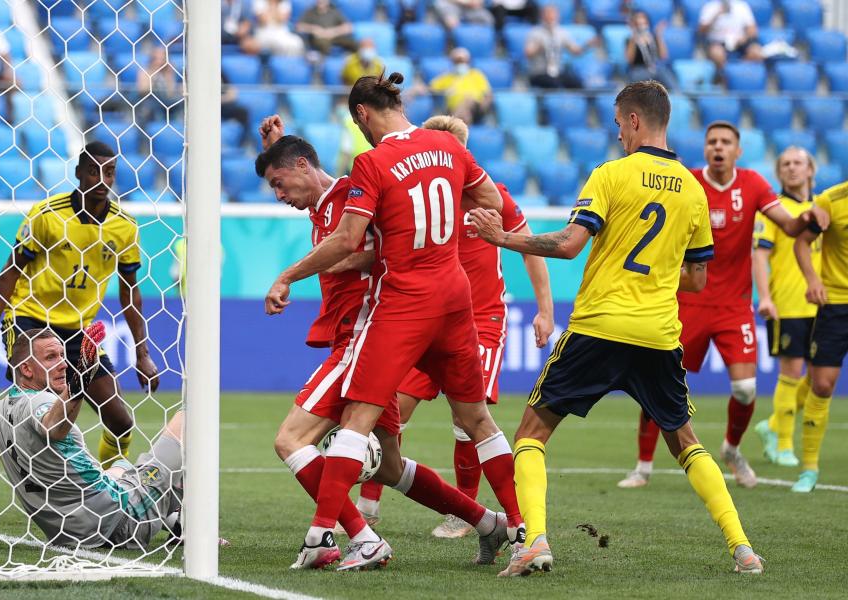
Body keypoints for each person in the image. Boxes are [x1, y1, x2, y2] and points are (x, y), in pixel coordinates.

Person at [470, 80, 766, 575]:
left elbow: (568, 245)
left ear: (633, 120)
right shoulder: (694, 190)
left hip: (600, 325)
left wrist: (501, 237)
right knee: (686, 441)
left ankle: (536, 543)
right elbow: (696, 278)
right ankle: (743, 549)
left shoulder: (612, 174)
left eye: (618, 124)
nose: (619, 135)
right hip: (657, 332)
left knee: (531, 433)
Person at [264, 72, 526, 570]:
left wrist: (287, 276)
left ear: (362, 113)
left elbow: (346, 238)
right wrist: (281, 151)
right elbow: (494, 202)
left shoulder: (367, 168)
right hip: (451, 301)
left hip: (390, 317)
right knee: (401, 459)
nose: (280, 193)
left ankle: (343, 537)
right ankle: (507, 527)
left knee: (306, 435)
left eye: (280, 183)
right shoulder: (444, 147)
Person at [352, 115, 554, 538]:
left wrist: (545, 310)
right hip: (424, 316)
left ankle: (466, 512)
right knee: (392, 409)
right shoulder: (408, 193)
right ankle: (368, 504)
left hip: (480, 320)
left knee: (468, 420)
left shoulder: (493, 197)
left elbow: (530, 248)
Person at [617, 121, 828, 491]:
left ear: (737, 151)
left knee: (746, 389)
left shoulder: (754, 184)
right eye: (712, 141)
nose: (718, 147)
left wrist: (810, 218)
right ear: (705, 148)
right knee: (658, 384)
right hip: (687, 303)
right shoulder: (686, 180)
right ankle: (642, 466)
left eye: (726, 142)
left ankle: (731, 449)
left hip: (734, 306)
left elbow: (792, 227)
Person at [0, 142, 160, 518]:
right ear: (79, 174)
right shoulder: (47, 215)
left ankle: (110, 489)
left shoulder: (124, 226)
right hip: (30, 319)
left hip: (78, 330)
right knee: (20, 414)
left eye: (109, 173)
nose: (102, 180)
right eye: (94, 172)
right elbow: (11, 271)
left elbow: (130, 295)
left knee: (120, 420)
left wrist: (142, 353)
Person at [0, 327, 184, 550]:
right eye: (51, 357)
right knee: (191, 418)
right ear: (27, 370)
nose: (63, 363)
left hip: (70, 534)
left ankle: (177, 524)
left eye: (63, 355)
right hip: (124, 520)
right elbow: (53, 427)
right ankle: (196, 530)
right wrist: (77, 389)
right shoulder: (39, 402)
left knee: (121, 467)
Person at [752, 147, 820, 468]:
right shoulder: (773, 211)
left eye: (798, 163)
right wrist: (764, 298)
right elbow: (760, 257)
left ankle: (773, 424)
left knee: (821, 377)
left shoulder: (823, 208)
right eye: (786, 164)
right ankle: (783, 444)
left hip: (823, 305)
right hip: (788, 304)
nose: (792, 168)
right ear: (780, 173)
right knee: (791, 373)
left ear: (810, 170)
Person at [791, 179, 845, 493]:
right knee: (822, 383)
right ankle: (809, 468)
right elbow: (800, 243)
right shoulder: (830, 200)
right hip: (836, 304)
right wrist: (813, 279)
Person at [524, 5, 593, 89]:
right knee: (554, 84)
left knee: (577, 83)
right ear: (543, 16)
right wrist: (539, 47)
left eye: (553, 15)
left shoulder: (561, 32)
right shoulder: (535, 32)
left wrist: (587, 45)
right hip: (539, 72)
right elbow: (528, 53)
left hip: (557, 72)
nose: (550, 17)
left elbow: (575, 51)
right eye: (548, 15)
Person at [428, 48, 493, 125]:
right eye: (457, 61)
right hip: (452, 109)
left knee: (467, 99)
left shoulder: (476, 75)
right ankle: (462, 126)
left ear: (468, 61)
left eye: (462, 61)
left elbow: (488, 94)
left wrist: (485, 104)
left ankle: (454, 124)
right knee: (464, 107)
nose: (460, 64)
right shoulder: (447, 77)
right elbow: (429, 88)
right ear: (452, 62)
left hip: (476, 109)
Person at [698, 0, 762, 71]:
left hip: (740, 42)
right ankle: (723, 77)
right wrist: (716, 15)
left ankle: (738, 72)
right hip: (718, 42)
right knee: (717, 54)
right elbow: (701, 31)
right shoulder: (710, 6)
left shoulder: (742, 6)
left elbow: (753, 30)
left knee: (756, 52)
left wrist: (744, 38)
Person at [625, 10, 677, 92]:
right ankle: (678, 93)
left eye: (644, 23)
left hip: (654, 69)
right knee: (661, 72)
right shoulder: (630, 40)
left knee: (664, 71)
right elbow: (629, 60)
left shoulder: (653, 38)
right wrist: (634, 36)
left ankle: (677, 95)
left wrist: (659, 36)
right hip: (638, 71)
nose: (642, 26)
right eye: (638, 24)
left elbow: (664, 56)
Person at [240, 0, 305, 56]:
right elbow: (264, 20)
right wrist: (271, 3)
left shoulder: (284, 1)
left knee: (297, 42)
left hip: (282, 32)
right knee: (279, 43)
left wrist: (275, 4)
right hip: (264, 32)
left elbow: (281, 19)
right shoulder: (259, 1)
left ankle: (291, 66)